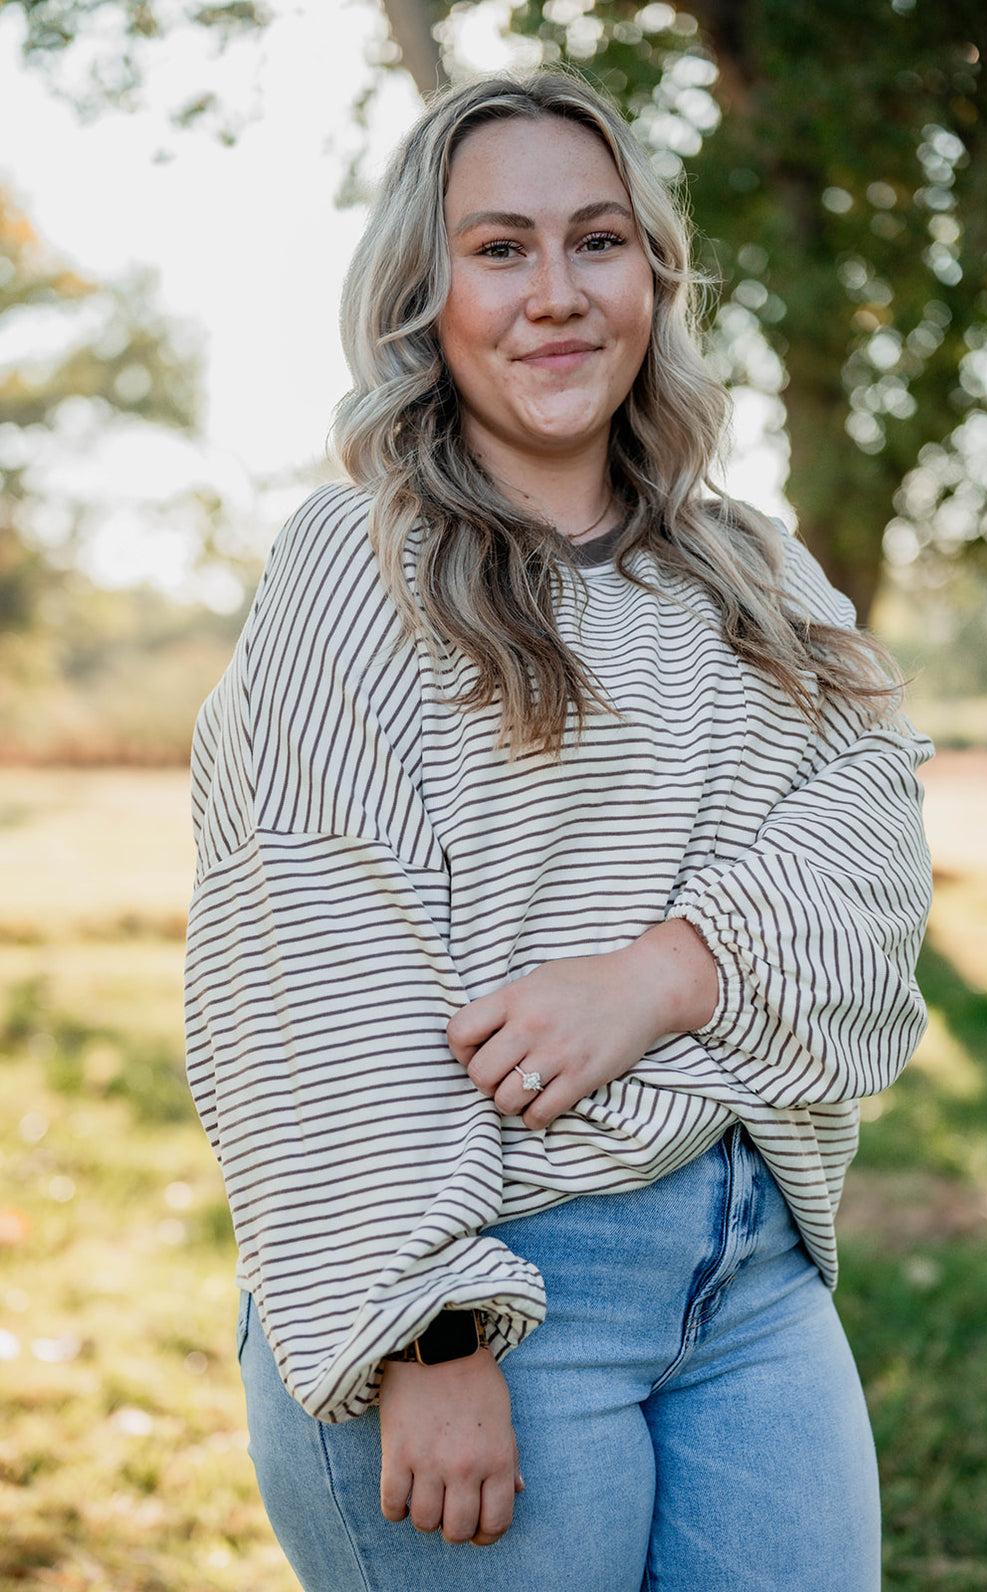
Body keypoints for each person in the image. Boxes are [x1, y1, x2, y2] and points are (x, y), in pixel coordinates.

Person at [184, 69, 933, 1592]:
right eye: (500, 247)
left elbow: (875, 828)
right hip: (493, 1278)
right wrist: (429, 1324)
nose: (556, 294)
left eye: (598, 242)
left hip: (752, 1276)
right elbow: (323, 950)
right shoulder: (360, 565)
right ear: (424, 291)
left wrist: (668, 971)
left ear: (652, 276)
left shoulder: (756, 570)